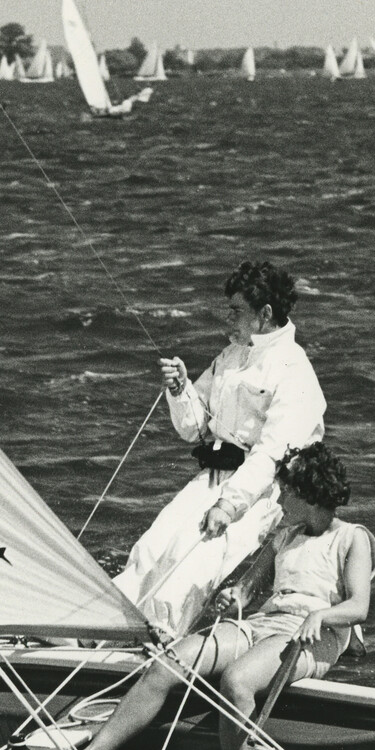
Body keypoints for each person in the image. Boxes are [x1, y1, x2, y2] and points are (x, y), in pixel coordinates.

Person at [80, 442, 375, 750]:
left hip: (313, 635)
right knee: (171, 660)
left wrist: (321, 615)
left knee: (237, 682)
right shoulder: (284, 534)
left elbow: (359, 607)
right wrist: (234, 596)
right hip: (265, 623)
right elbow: (249, 588)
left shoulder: (352, 538)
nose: (279, 496)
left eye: (285, 490)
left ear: (308, 494)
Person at [111, 259, 327, 640]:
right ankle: (101, 629)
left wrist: (229, 504)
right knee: (153, 548)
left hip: (260, 493)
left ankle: (156, 645)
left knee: (194, 563)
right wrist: (180, 389)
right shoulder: (229, 357)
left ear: (265, 314)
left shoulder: (294, 370)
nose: (228, 318)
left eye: (236, 311)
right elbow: (193, 427)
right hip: (212, 475)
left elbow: (273, 453)